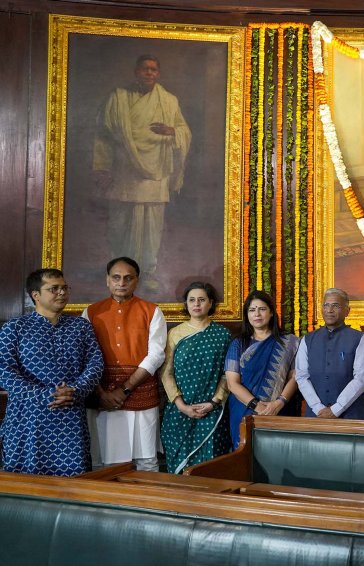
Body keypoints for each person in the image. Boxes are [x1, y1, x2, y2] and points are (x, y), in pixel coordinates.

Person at [93, 54, 192, 289]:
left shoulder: (169, 101)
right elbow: (103, 135)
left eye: (154, 70)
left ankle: (147, 272)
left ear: (158, 74)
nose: (149, 73)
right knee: (119, 223)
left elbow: (183, 130)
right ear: (136, 72)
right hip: (124, 172)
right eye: (145, 69)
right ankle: (119, 273)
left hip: (156, 174)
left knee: (152, 226)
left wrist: (172, 131)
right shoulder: (117, 98)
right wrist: (102, 167)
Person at [0, 269, 103, 476]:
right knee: (28, 486)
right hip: (28, 419)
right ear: (35, 294)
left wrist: (76, 390)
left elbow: (95, 363)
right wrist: (43, 395)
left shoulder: (80, 326)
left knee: (74, 486)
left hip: (70, 417)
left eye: (64, 288)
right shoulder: (15, 328)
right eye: (53, 289)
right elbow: (4, 370)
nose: (62, 293)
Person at [84, 257, 166, 471]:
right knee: (104, 460)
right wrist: (102, 394)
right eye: (116, 278)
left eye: (128, 278)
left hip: (141, 392)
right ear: (107, 280)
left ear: (136, 281)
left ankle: (146, 504)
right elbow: (85, 356)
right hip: (103, 395)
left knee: (146, 460)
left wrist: (126, 388)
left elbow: (156, 355)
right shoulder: (91, 312)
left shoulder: (152, 311)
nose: (122, 283)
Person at [160, 282, 232, 474]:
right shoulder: (175, 334)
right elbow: (166, 373)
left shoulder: (222, 334)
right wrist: (181, 405)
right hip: (179, 412)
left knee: (210, 469)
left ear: (210, 303)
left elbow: (227, 375)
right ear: (186, 304)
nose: (196, 304)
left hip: (212, 412)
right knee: (179, 469)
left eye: (201, 300)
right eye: (192, 300)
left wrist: (214, 402)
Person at [225, 290, 300, 449]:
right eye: (252, 310)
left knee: (279, 458)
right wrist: (257, 406)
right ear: (247, 315)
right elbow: (232, 384)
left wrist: (278, 403)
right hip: (244, 411)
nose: (257, 314)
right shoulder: (238, 344)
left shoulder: (290, 342)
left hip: (280, 410)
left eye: (262, 309)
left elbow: (295, 378)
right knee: (245, 458)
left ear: (271, 312)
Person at [295, 288, 364, 420]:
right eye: (326, 305)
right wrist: (318, 407)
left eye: (335, 306)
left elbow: (361, 378)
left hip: (351, 415)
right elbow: (301, 377)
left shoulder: (358, 338)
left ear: (347, 311)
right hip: (316, 414)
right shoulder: (308, 339)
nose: (329, 310)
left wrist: (336, 409)